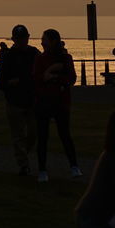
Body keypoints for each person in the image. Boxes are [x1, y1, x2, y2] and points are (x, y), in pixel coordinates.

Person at [34, 29, 82, 183]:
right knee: (42, 137)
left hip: (60, 102)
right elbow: (36, 78)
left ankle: (74, 166)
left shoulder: (66, 58)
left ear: (53, 41)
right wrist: (47, 76)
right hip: (44, 102)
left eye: (44, 39)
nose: (42, 42)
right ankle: (42, 170)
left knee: (65, 135)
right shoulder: (40, 59)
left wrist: (52, 76)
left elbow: (71, 78)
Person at [0, 25, 40, 177]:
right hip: (14, 101)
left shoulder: (34, 53)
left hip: (32, 100)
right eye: (18, 38)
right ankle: (23, 164)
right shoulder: (7, 56)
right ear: (14, 39)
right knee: (18, 134)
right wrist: (9, 83)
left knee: (33, 133)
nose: (21, 41)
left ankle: (22, 155)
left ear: (28, 37)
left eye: (24, 38)